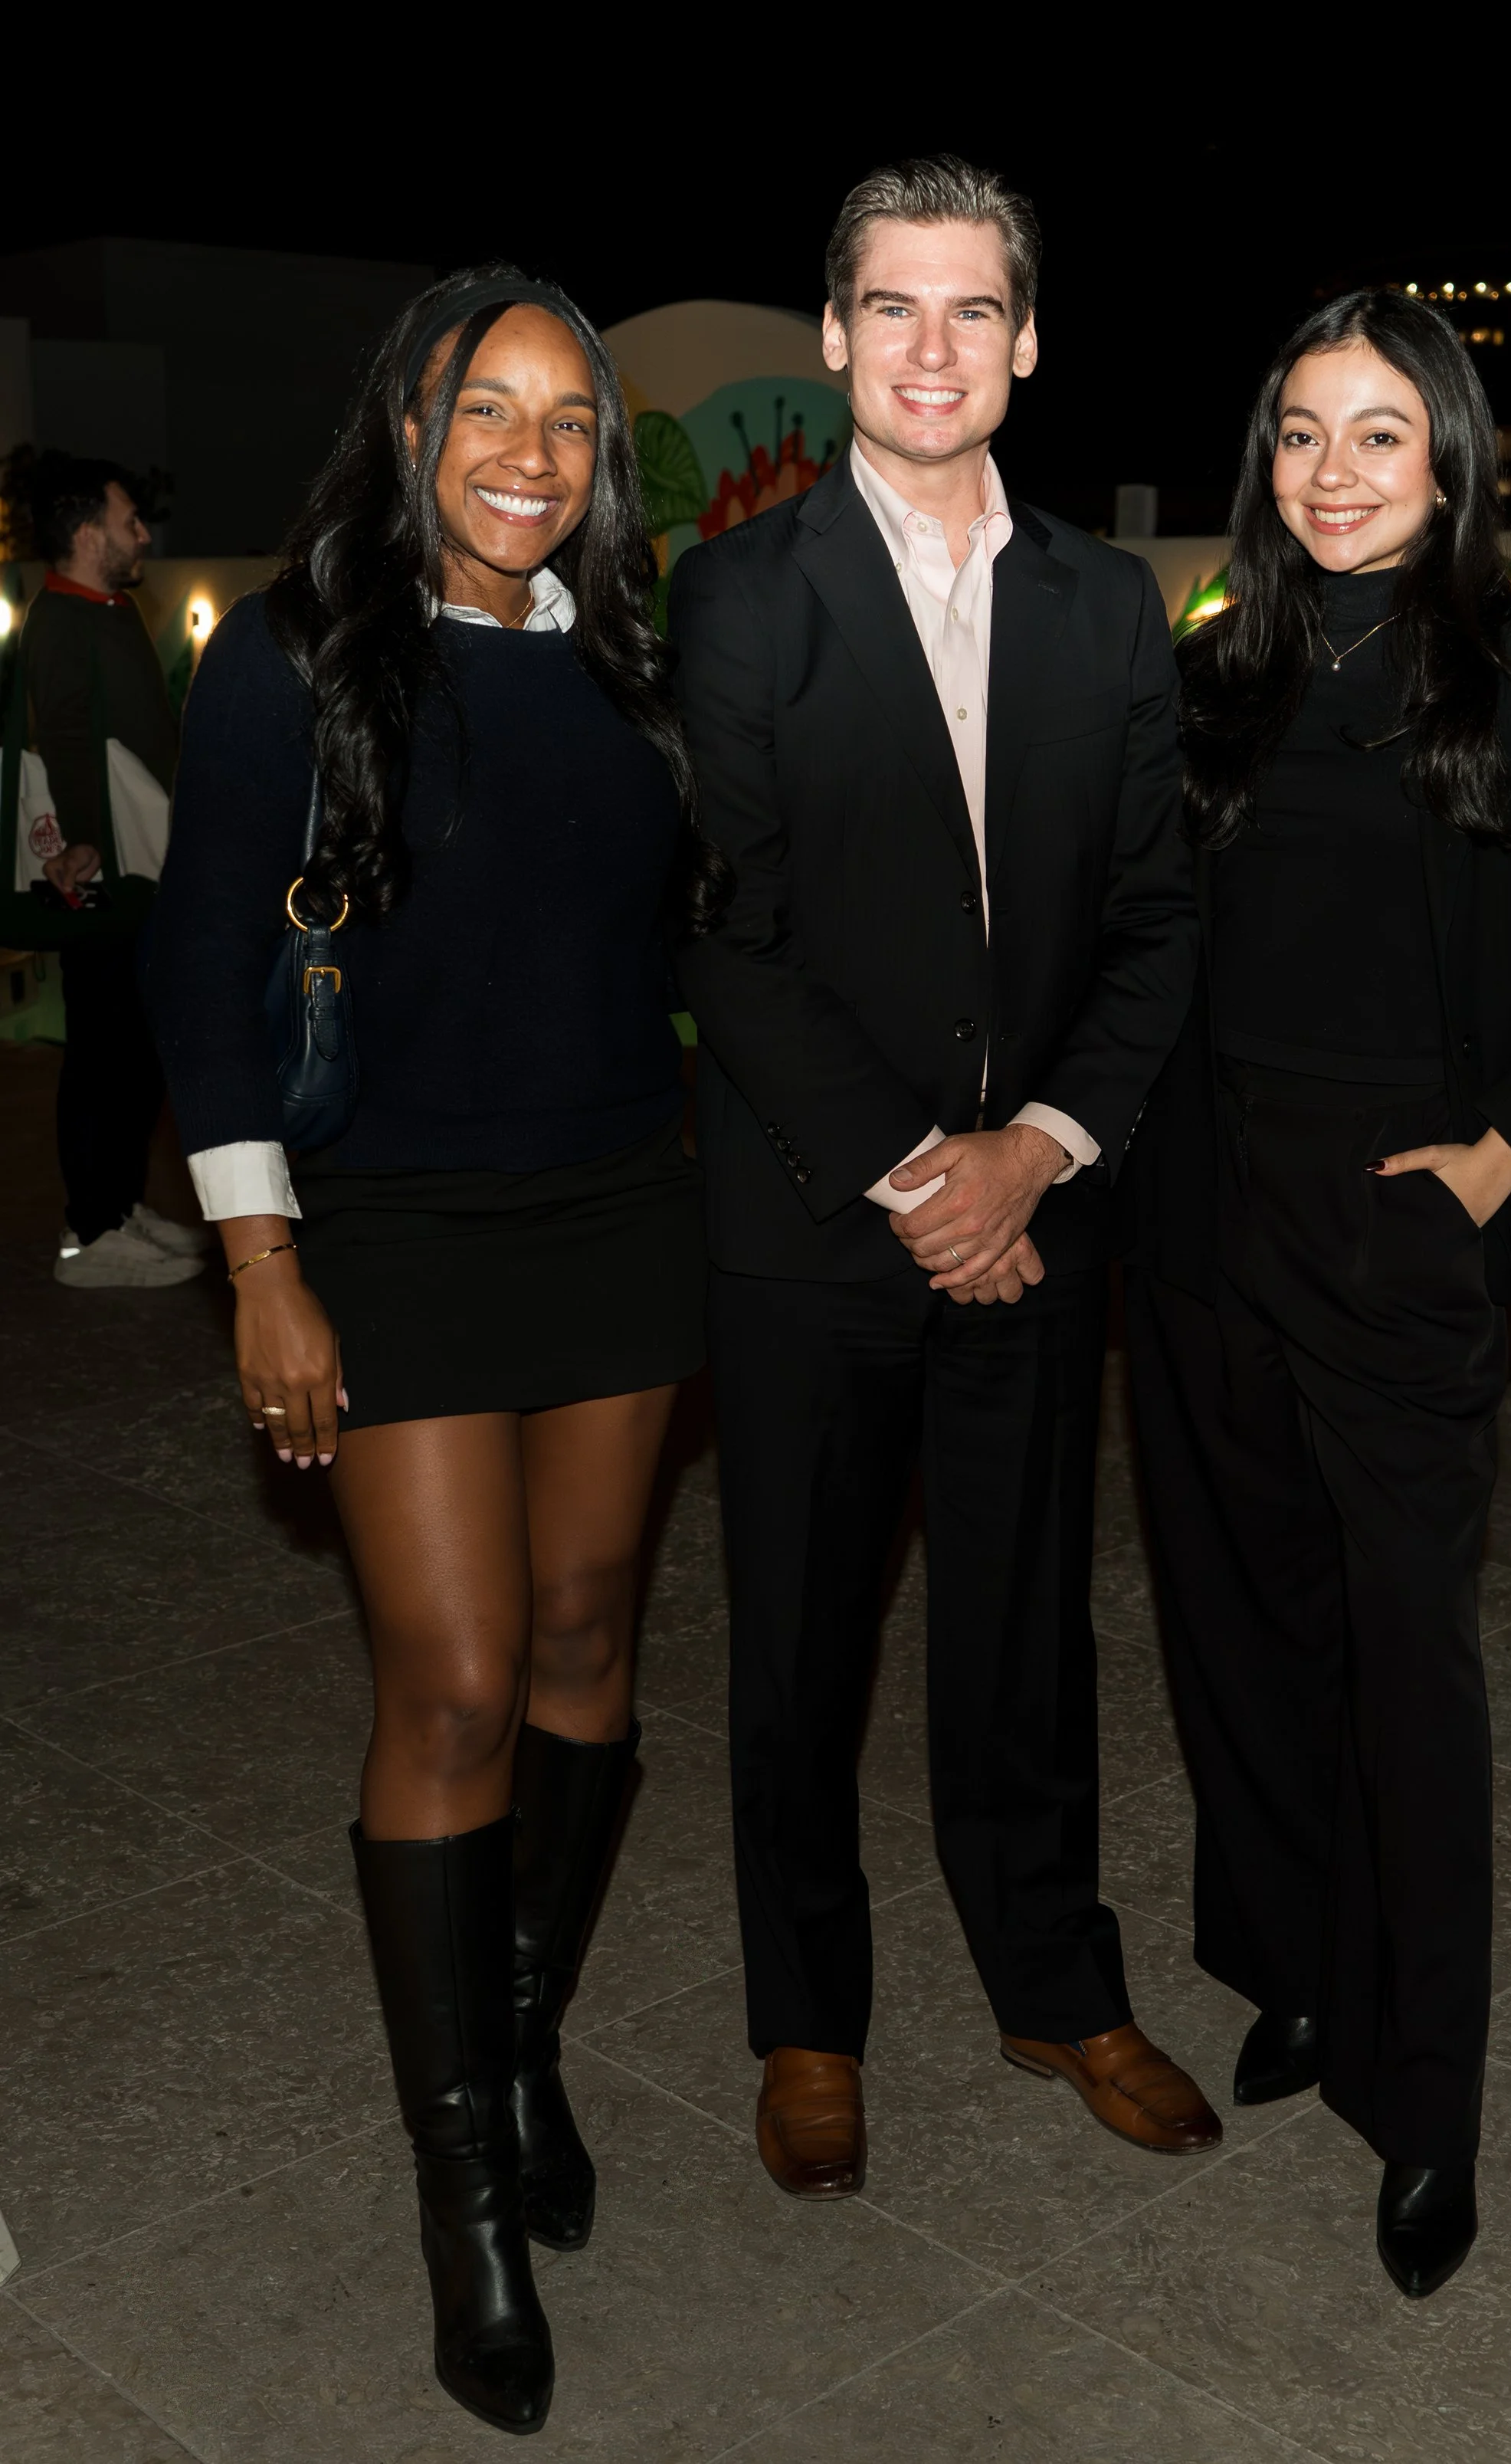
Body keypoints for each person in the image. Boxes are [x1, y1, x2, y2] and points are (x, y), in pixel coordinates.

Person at [145, 267, 723, 2436]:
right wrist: (260, 1258)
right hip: (385, 1220)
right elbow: (205, 953)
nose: (529, 454)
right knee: (460, 1678)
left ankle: (522, 2033)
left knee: (587, 1636)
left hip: (620, 1202)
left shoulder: (634, 657)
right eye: (490, 409)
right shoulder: (299, 654)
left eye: (571, 422)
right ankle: (462, 2182)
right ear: (409, 425)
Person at [670, 156, 1215, 2203]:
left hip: (1038, 1213)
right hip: (818, 1217)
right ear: (833, 336)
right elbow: (732, 933)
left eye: (970, 307)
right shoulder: (739, 594)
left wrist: (1035, 1151)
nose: (930, 345)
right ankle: (809, 2020)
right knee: (799, 1643)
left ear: (1027, 342)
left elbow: (1155, 918)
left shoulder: (1107, 603)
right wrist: (923, 1175)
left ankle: (1054, 1979)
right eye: (890, 305)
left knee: (1023, 1629)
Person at [1126, 290, 1511, 2298]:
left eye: (1372, 433)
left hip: (1399, 1230)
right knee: (1238, 1632)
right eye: (1296, 433)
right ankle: (1294, 1968)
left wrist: (1501, 1159)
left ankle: (1426, 2096)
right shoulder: (1213, 673)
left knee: (1404, 1665)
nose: (1329, 472)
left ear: (1448, 454)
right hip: (1201, 1224)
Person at [19, 454, 204, 1287]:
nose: (143, 536)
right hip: (97, 873)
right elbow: (61, 739)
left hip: (140, 867)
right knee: (101, 1052)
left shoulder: (110, 609)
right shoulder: (61, 619)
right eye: (129, 522)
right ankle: (90, 1234)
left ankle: (120, 1205)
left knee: (133, 1050)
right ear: (90, 534)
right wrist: (82, 843)